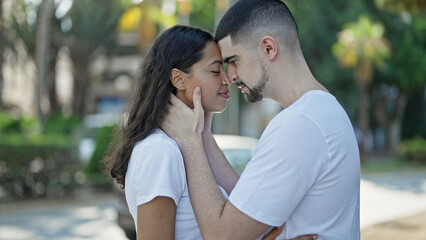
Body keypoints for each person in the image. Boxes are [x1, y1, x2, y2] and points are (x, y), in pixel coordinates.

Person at [161, 0, 361, 239]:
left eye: (233, 61)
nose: (230, 77)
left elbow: (221, 235)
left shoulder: (299, 124)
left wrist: (189, 141)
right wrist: (203, 135)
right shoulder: (324, 110)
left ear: (268, 48)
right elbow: (248, 204)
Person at [105, 25, 309, 240]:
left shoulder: (190, 144)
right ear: (179, 79)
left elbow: (241, 212)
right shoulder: (160, 151)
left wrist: (202, 134)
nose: (228, 79)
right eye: (215, 70)